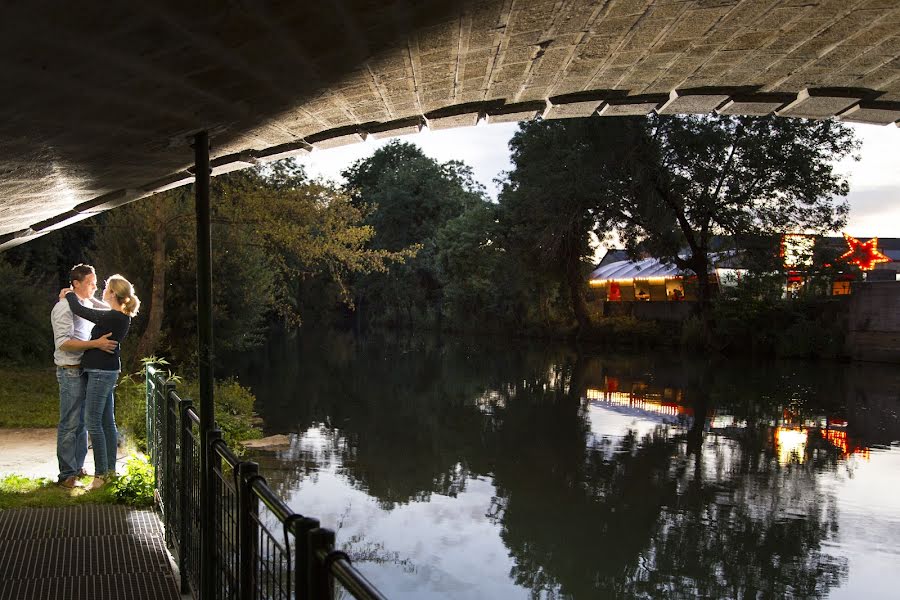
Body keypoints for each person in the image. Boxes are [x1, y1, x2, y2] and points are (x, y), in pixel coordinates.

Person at [63, 274, 140, 489]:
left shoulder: (114, 317)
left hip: (100, 372)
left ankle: (100, 475)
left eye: (105, 288)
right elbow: (98, 308)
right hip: (105, 371)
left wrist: (69, 295)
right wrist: (86, 299)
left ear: (113, 293)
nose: (101, 290)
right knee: (106, 423)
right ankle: (109, 472)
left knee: (93, 422)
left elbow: (82, 311)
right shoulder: (118, 315)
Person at [51, 264, 117, 489]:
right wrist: (96, 344)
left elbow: (109, 310)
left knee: (82, 424)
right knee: (70, 422)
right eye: (90, 283)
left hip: (85, 369)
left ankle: (77, 468)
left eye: (95, 283)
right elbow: (63, 343)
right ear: (76, 283)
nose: (94, 287)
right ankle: (66, 474)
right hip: (70, 369)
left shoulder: (84, 303)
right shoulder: (63, 308)